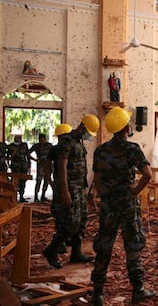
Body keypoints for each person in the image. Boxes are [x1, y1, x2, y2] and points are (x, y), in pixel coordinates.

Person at [91, 107, 154, 306]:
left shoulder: (100, 150)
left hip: (109, 205)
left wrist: (104, 197)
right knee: (133, 246)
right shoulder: (132, 149)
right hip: (127, 204)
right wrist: (134, 191)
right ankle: (138, 290)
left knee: (104, 246)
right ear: (126, 128)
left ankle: (98, 293)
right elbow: (148, 174)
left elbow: (98, 179)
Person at [43, 115, 99, 269]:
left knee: (82, 221)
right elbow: (61, 167)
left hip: (79, 188)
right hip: (70, 188)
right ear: (81, 127)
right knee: (71, 223)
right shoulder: (66, 142)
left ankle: (76, 252)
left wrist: (86, 191)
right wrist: (64, 191)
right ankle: (52, 249)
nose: (88, 136)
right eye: (87, 132)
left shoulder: (78, 142)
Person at [44, 123, 73, 254]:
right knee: (60, 213)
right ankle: (59, 243)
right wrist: (50, 182)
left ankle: (66, 238)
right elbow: (48, 166)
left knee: (68, 214)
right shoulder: (55, 150)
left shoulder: (71, 147)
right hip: (61, 185)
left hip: (67, 185)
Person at [29, 133, 53, 202]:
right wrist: (36, 160)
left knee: (46, 181)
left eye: (42, 140)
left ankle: (43, 195)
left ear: (45, 139)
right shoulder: (37, 146)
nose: (41, 141)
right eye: (40, 140)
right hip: (40, 166)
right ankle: (36, 197)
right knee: (38, 181)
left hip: (48, 166)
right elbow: (28, 153)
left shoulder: (49, 145)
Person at [9, 135, 30, 202]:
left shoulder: (24, 145)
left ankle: (21, 197)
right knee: (14, 182)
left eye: (19, 138)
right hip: (15, 166)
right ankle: (13, 197)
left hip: (23, 166)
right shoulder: (11, 146)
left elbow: (27, 155)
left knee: (23, 182)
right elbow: (9, 156)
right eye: (17, 138)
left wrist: (29, 164)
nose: (18, 139)